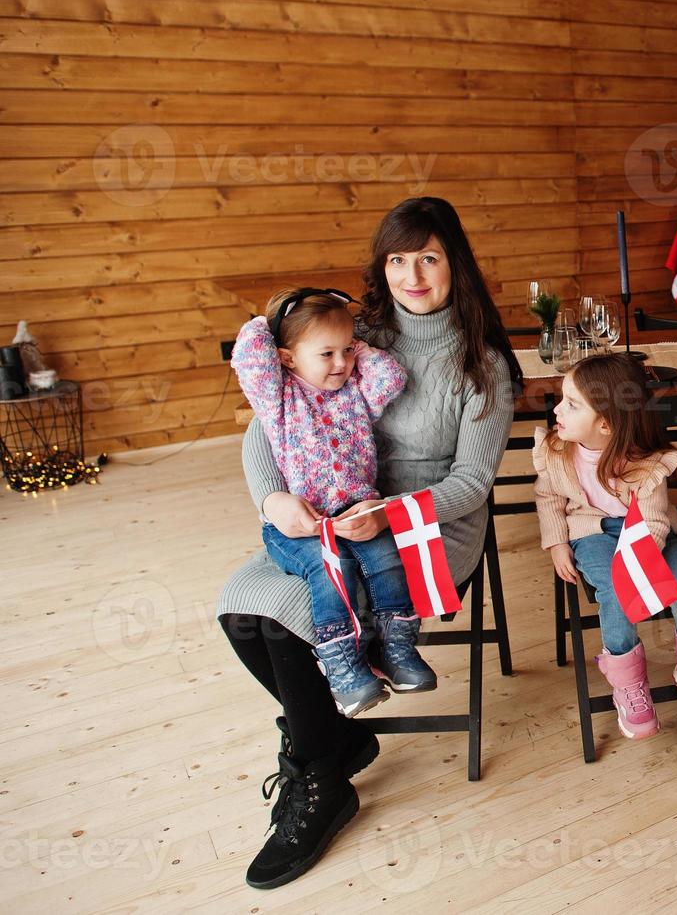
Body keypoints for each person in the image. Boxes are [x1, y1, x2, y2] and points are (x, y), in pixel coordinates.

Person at [217, 197, 519, 889]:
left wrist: (390, 512)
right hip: (335, 512)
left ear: (455, 265)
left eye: (430, 257)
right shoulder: (356, 334)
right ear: (382, 268)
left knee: (288, 622)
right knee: (242, 608)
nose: (413, 274)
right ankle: (338, 739)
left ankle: (319, 779)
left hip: (430, 523)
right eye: (398, 258)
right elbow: (266, 424)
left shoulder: (483, 364)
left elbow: (472, 481)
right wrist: (272, 498)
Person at [231, 288, 435, 717]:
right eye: (327, 354)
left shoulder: (354, 392)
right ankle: (342, 665)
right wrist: (270, 322)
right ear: (287, 358)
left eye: (347, 351)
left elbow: (391, 379)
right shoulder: (279, 399)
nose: (342, 363)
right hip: (301, 525)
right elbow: (249, 357)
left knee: (386, 559)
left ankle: (396, 650)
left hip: (358, 508)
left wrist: (359, 348)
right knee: (332, 567)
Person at [533, 353, 677, 738]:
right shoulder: (557, 452)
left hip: (648, 535)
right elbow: (549, 499)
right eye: (562, 398)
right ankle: (628, 682)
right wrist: (556, 543)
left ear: (605, 423)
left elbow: (654, 522)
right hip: (591, 531)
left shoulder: (645, 463)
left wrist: (639, 562)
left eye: (571, 404)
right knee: (617, 593)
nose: (557, 409)